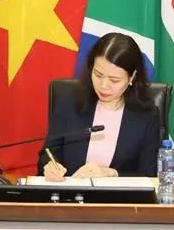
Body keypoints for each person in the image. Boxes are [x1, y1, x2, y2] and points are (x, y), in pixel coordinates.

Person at [38, 33, 161, 180]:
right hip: (70, 198)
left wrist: (112, 173)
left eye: (114, 80)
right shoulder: (69, 103)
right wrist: (50, 166)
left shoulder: (147, 116)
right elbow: (48, 153)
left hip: (120, 201)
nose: (103, 86)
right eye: (98, 74)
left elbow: (149, 175)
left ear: (132, 77)